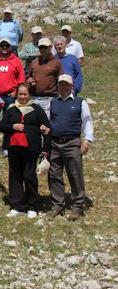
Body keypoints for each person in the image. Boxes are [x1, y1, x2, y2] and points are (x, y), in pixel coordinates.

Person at [0, 83, 50, 218]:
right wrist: (13, 126)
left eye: (25, 94)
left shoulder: (37, 109)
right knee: (15, 176)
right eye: (20, 94)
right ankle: (18, 206)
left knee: (29, 176)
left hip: (31, 148)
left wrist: (45, 148)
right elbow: (2, 126)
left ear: (30, 95)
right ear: (17, 94)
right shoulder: (11, 109)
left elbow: (47, 129)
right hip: (14, 148)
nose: (22, 97)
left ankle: (32, 205)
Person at [48, 74, 94, 220]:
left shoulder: (80, 102)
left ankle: (77, 206)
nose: (63, 87)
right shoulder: (53, 102)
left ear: (71, 86)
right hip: (54, 142)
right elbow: (47, 120)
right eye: (61, 84)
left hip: (72, 142)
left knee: (75, 174)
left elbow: (87, 121)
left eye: (66, 84)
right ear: (58, 86)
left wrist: (87, 139)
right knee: (54, 174)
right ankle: (57, 205)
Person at [0, 38, 25, 111]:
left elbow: (21, 78)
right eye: (2, 45)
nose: (4, 47)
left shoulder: (16, 61)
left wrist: (15, 92)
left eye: (7, 46)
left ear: (10, 47)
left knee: (8, 118)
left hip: (10, 96)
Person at [27, 37, 63, 116]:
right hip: (34, 98)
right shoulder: (34, 62)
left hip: (49, 98)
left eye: (45, 47)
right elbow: (27, 77)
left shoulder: (56, 63)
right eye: (41, 47)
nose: (43, 49)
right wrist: (29, 81)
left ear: (50, 48)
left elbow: (61, 81)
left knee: (47, 123)